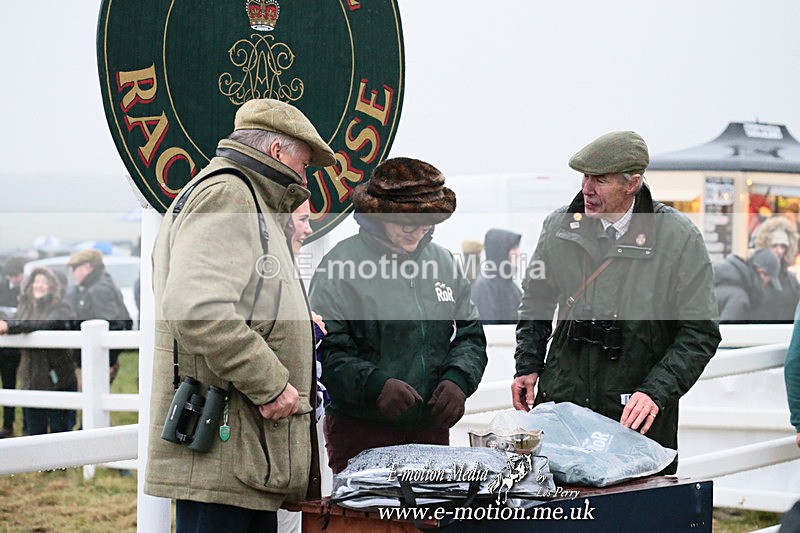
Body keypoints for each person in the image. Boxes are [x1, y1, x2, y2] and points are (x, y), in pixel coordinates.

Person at [144, 98, 335, 533]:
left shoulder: (242, 197)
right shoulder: (231, 195)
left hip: (239, 457)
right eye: (304, 164)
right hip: (229, 456)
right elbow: (197, 308)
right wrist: (270, 384)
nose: (305, 176)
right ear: (277, 152)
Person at [511, 131, 721, 472]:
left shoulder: (679, 238)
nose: (587, 189)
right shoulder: (558, 227)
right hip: (564, 404)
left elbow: (699, 333)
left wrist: (655, 391)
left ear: (632, 183)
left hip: (634, 416)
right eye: (585, 177)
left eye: (601, 180)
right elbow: (536, 300)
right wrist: (528, 364)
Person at [309, 157, 488, 474]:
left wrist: (458, 380)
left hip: (430, 430)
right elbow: (327, 350)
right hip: (360, 431)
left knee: (427, 522)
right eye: (407, 224)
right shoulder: (339, 266)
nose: (417, 233)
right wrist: (375, 385)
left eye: (427, 224)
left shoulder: (444, 263)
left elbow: (470, 336)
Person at [0, 267, 77, 435]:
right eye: (36, 281)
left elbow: (44, 324)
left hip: (58, 379)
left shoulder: (61, 308)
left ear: (52, 286)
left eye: (44, 282)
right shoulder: (25, 307)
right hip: (31, 379)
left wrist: (10, 326)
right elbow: (16, 321)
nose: (39, 285)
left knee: (60, 431)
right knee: (34, 432)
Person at [65, 249, 132, 383]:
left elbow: (114, 326)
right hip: (96, 359)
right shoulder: (100, 284)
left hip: (96, 362)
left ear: (87, 267)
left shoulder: (99, 290)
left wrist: (107, 363)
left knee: (91, 399)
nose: (73, 273)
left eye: (75, 268)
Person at [713, 248, 782, 323]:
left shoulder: (724, 279)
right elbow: (727, 333)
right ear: (762, 273)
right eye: (769, 282)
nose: (766, 286)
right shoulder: (739, 298)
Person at [752, 216, 800, 322]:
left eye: (783, 246)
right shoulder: (754, 275)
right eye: (774, 245)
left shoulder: (791, 280)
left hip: (785, 334)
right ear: (764, 245)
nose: (779, 251)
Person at [471, 228, 522, 324]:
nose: (518, 253)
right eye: (513, 248)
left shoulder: (509, 285)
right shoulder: (485, 286)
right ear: (500, 250)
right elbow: (489, 331)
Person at [0, 256, 25, 438]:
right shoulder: (3, 288)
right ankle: (8, 425)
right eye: (11, 276)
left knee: (25, 386)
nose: (13, 280)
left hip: (23, 346)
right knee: (8, 385)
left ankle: (27, 425)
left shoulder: (28, 290)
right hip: (5, 348)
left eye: (16, 275)